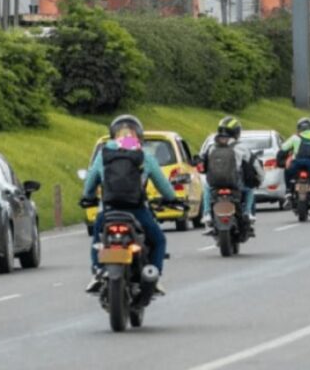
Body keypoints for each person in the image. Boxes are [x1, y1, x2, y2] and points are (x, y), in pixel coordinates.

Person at [82, 115, 178, 294]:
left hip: (109, 211)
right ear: (138, 135)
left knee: (97, 239)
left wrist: (87, 197)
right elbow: (163, 185)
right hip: (137, 211)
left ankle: (96, 271)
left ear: (113, 135)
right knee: (158, 240)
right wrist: (172, 198)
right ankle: (153, 275)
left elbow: (89, 184)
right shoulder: (144, 156)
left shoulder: (104, 155)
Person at [201, 116, 262, 232]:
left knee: (206, 188)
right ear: (236, 132)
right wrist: (260, 179)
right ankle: (248, 212)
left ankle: (207, 214)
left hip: (215, 183)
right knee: (250, 189)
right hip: (235, 183)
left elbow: (203, 164)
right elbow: (256, 166)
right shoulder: (241, 147)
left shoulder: (212, 147)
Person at [279, 117, 310, 198]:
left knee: (287, 171)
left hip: (297, 164)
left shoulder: (295, 138)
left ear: (299, 128)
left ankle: (288, 190)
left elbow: (283, 148)